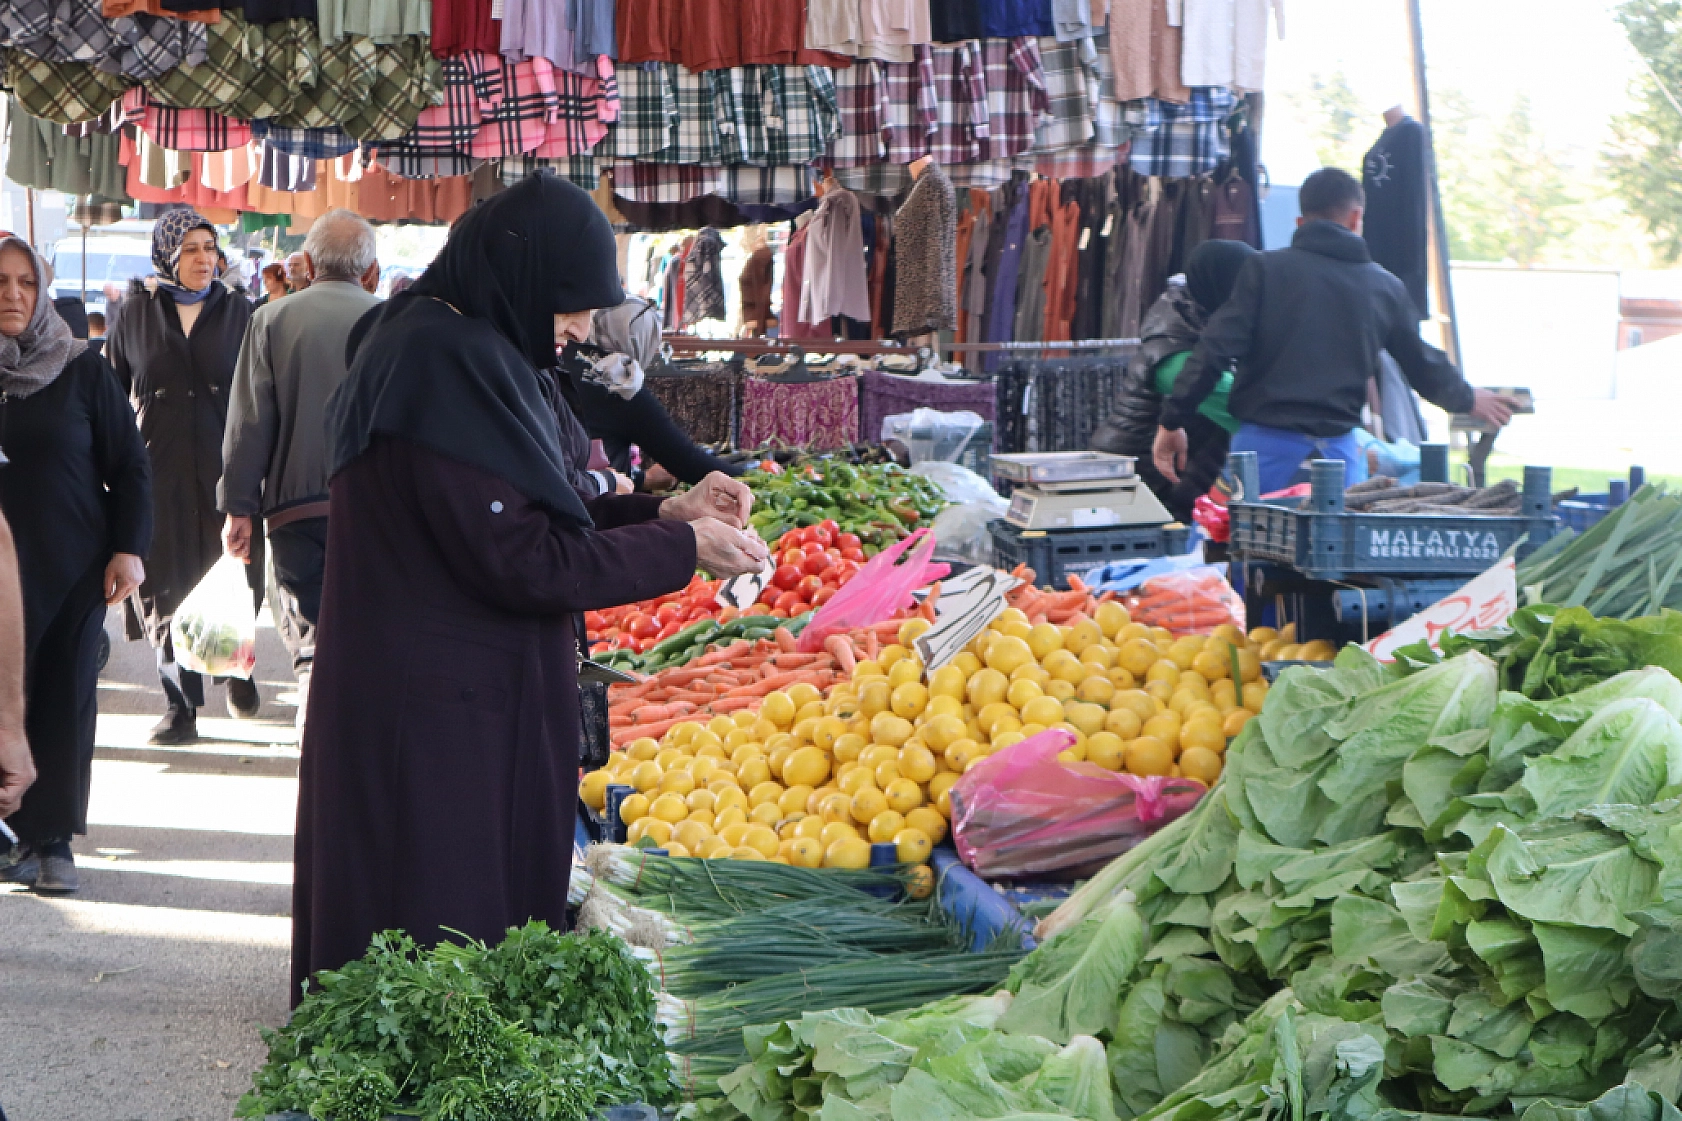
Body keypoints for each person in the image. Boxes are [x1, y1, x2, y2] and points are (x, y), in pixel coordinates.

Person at [289, 173, 769, 997]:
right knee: (432, 955)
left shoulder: (455, 345)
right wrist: (681, 545)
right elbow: (526, 557)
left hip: (451, 709)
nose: (580, 327)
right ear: (521, 275)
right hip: (435, 728)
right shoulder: (440, 362)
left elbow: (538, 510)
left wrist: (669, 507)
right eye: (569, 306)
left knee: (445, 951)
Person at [1153, 169, 1515, 495]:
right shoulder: (1384, 287)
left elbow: (1213, 350)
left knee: (1235, 540)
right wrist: (1466, 397)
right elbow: (1421, 363)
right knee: (1338, 544)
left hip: (1264, 448)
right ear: (1356, 218)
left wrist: (1172, 421)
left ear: (1300, 221)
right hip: (1340, 453)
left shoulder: (1264, 271)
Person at [0, 236, 151, 893]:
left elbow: (131, 465)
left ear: (43, 292)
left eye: (26, 283)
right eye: (0, 282)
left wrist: (129, 548)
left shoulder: (81, 368)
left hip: (70, 568)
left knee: (63, 700)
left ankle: (52, 840)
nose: (12, 294)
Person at [220, 211, 382, 733]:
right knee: (366, 643)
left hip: (294, 516)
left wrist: (238, 507)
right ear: (372, 272)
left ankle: (315, 743)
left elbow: (249, 423)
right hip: (377, 517)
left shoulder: (271, 320)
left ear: (307, 265)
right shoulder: (394, 323)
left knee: (311, 645)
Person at [107, 209, 258, 745]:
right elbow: (110, 396)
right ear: (168, 255)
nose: (203, 259)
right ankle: (180, 705)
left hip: (224, 471)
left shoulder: (240, 312)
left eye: (209, 248)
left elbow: (260, 396)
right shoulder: (134, 313)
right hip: (158, 472)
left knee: (229, 576)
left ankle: (236, 667)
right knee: (164, 588)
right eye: (191, 249)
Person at [1091, 240, 1257, 521]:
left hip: (1158, 484)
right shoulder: (1175, 354)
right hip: (1137, 488)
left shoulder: (1195, 322)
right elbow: (1246, 413)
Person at [574, 295, 744, 487]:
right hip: (592, 497)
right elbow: (686, 461)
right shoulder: (621, 386)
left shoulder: (567, 358)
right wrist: (750, 474)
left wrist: (641, 479)